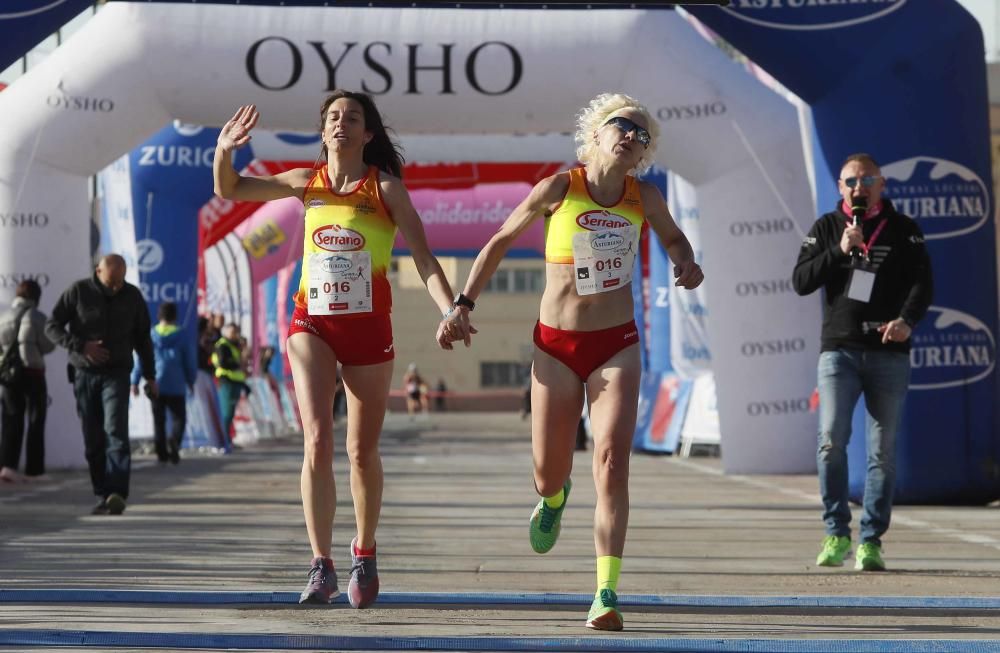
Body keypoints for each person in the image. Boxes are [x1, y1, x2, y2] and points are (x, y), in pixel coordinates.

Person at [438, 92, 703, 630]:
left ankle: (605, 592)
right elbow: (500, 239)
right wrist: (463, 304)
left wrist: (686, 262)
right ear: (596, 136)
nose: (631, 136)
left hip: (616, 345)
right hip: (556, 346)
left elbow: (675, 239)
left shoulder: (644, 196)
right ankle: (555, 497)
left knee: (611, 462)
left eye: (641, 134)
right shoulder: (561, 187)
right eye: (621, 126)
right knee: (547, 471)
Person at [213, 91, 468, 609]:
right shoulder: (305, 184)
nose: (341, 124)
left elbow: (424, 259)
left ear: (367, 134)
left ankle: (365, 550)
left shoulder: (387, 190)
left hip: (369, 330)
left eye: (353, 117)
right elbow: (232, 187)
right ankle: (320, 564)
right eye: (333, 117)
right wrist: (224, 151)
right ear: (323, 131)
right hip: (312, 323)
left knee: (359, 450)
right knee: (316, 439)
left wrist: (450, 309)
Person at [793, 153, 932, 572]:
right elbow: (801, 281)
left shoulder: (904, 229)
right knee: (831, 441)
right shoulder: (828, 227)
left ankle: (871, 540)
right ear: (841, 187)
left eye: (867, 180)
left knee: (882, 453)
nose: (860, 187)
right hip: (840, 350)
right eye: (852, 180)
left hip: (889, 353)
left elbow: (923, 283)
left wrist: (907, 321)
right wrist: (839, 250)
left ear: (882, 184)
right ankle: (836, 532)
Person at [45, 254, 157, 515]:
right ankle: (101, 492)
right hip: (85, 373)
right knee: (93, 438)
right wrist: (80, 346)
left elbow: (143, 339)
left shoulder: (132, 296)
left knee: (115, 430)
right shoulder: (79, 291)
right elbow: (52, 326)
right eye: (112, 281)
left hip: (117, 373)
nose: (117, 287)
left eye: (120, 281)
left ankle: (116, 492)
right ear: (98, 271)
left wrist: (150, 376)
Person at [0, 279, 55, 482]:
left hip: (8, 376)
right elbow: (49, 344)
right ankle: (34, 470)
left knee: (10, 421)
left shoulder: (3, 317)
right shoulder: (37, 317)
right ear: (36, 297)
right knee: (35, 421)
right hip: (33, 373)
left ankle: (7, 467)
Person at [131, 302, 196, 465]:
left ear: (159, 315)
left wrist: (135, 381)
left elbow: (140, 359)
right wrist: (191, 380)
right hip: (177, 383)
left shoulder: (151, 335)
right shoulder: (182, 334)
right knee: (179, 418)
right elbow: (189, 360)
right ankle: (174, 441)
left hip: (155, 382)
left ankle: (161, 454)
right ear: (175, 316)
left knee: (158, 420)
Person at [211, 323, 245, 453]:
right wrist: (236, 364)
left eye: (236, 332)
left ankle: (228, 440)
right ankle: (223, 442)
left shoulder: (233, 345)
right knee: (226, 413)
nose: (235, 335)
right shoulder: (222, 345)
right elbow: (223, 363)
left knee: (230, 414)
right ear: (226, 333)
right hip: (226, 381)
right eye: (232, 332)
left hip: (235, 381)